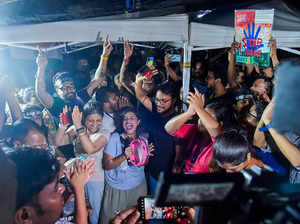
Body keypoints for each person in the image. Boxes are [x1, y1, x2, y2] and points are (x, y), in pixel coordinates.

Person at [56, 101, 110, 224]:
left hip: (95, 181)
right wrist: (63, 125)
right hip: (77, 179)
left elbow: (90, 149)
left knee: (95, 216)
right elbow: (59, 142)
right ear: (84, 118)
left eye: (98, 120)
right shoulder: (77, 129)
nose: (95, 124)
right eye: (91, 120)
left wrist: (79, 127)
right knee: (80, 212)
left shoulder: (103, 133)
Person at [100, 107, 150, 224]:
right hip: (117, 189)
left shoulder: (142, 139)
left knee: (135, 219)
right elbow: (107, 165)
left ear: (138, 122)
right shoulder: (115, 138)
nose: (128, 121)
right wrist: (124, 155)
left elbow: (144, 164)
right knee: (112, 220)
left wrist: (145, 156)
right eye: (125, 119)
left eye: (132, 118)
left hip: (138, 187)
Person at [135, 79, 179, 194]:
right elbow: (140, 95)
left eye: (164, 101)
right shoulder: (155, 110)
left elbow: (179, 149)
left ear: (173, 100)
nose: (159, 104)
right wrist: (139, 80)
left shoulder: (177, 120)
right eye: (158, 100)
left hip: (166, 173)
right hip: (152, 169)